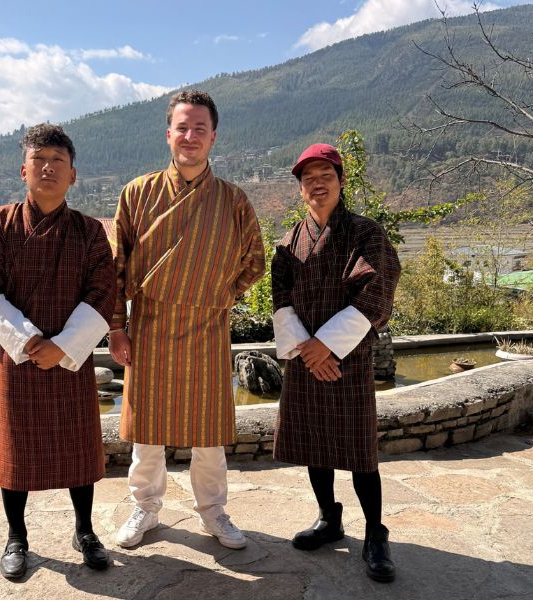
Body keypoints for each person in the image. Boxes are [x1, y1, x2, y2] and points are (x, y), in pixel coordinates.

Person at [108, 90, 265, 550]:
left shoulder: (233, 200)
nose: (190, 136)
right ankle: (146, 509)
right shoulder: (137, 193)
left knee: (209, 435)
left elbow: (254, 261)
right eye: (183, 127)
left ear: (213, 136)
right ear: (169, 133)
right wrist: (118, 327)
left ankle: (213, 512)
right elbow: (116, 268)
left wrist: (218, 295)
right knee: (147, 433)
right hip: (151, 326)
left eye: (200, 128)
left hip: (209, 327)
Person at [0, 123, 116, 578]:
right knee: (16, 452)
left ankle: (86, 531)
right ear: (24, 170)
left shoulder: (90, 233)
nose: (48, 167)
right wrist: (33, 343)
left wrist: (63, 346)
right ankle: (17, 537)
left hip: (71, 361)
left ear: (73, 174)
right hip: (21, 360)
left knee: (80, 450)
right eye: (40, 159)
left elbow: (103, 293)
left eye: (58, 160)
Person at [271, 143, 401, 583]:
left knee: (360, 452)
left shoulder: (366, 233)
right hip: (308, 361)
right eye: (308, 179)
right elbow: (281, 302)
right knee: (315, 444)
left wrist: (326, 346)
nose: (317, 184)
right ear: (301, 189)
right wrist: (308, 350)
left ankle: (376, 534)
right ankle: (329, 518)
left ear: (341, 181)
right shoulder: (289, 243)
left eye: (325, 174)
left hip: (349, 359)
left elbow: (376, 293)